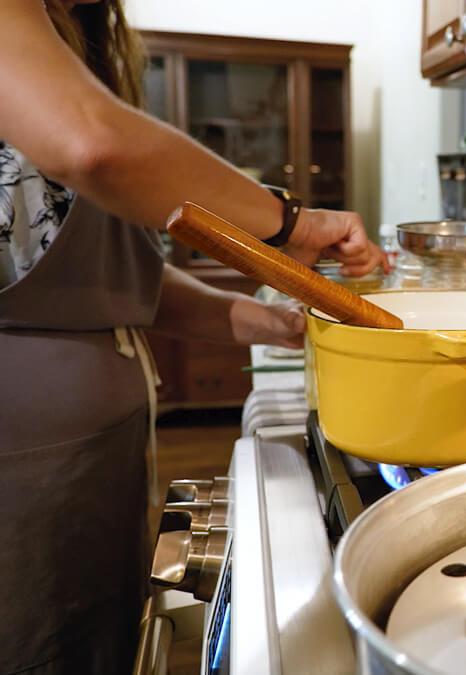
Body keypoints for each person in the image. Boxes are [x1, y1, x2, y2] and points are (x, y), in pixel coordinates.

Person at [0, 0, 388, 672]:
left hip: (89, 468)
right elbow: (96, 144)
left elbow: (121, 282)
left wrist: (274, 323)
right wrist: (289, 222)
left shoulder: (73, 29)